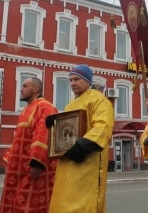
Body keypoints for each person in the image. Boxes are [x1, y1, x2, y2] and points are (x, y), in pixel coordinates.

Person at [46, 64, 114, 213]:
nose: (72, 83)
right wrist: (55, 126)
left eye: (76, 79)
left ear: (88, 81)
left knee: (83, 206)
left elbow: (103, 126)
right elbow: (67, 132)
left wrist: (83, 145)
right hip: (66, 165)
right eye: (70, 80)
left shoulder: (100, 101)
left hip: (87, 166)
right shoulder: (71, 105)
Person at [0, 77, 58, 213]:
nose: (21, 89)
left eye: (25, 86)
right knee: (14, 202)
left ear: (35, 89)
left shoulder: (45, 107)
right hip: (18, 169)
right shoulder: (26, 109)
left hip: (34, 169)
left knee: (30, 206)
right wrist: (10, 160)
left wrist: (37, 163)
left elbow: (43, 134)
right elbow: (18, 138)